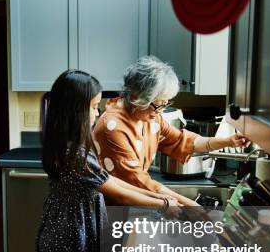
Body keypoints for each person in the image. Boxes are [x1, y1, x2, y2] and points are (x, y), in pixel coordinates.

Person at [37, 70, 179, 252]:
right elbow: (120, 193)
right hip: (71, 238)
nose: (97, 112)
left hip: (76, 229)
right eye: (93, 107)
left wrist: (162, 199)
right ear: (75, 111)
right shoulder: (73, 154)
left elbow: (111, 181)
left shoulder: (71, 144)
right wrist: (162, 204)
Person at [93, 56, 248, 206]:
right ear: (136, 97)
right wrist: (188, 204)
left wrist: (228, 141)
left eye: (164, 104)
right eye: (157, 104)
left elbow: (183, 141)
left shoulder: (150, 117)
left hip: (135, 200)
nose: (161, 111)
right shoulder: (113, 128)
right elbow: (138, 181)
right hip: (111, 207)